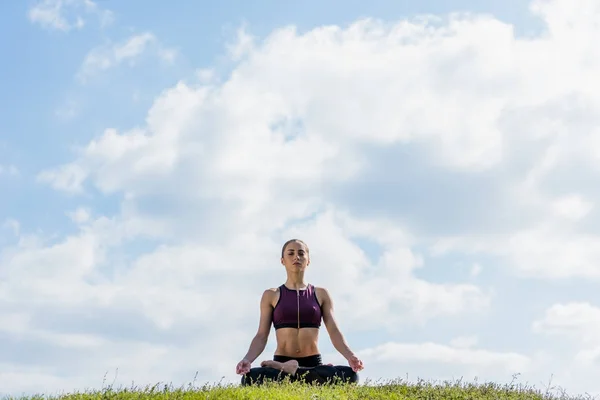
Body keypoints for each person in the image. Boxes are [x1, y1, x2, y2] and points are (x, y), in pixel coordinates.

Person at [235, 239, 364, 385]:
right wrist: (247, 359)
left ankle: (293, 371)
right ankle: (298, 373)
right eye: (291, 253)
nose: (296, 257)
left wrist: (350, 356)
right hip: (283, 359)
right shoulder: (271, 295)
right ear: (282, 260)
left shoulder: (321, 294)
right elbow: (261, 335)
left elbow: (334, 331)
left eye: (301, 253)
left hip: (313, 362)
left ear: (308, 260)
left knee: (350, 376)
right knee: (249, 378)